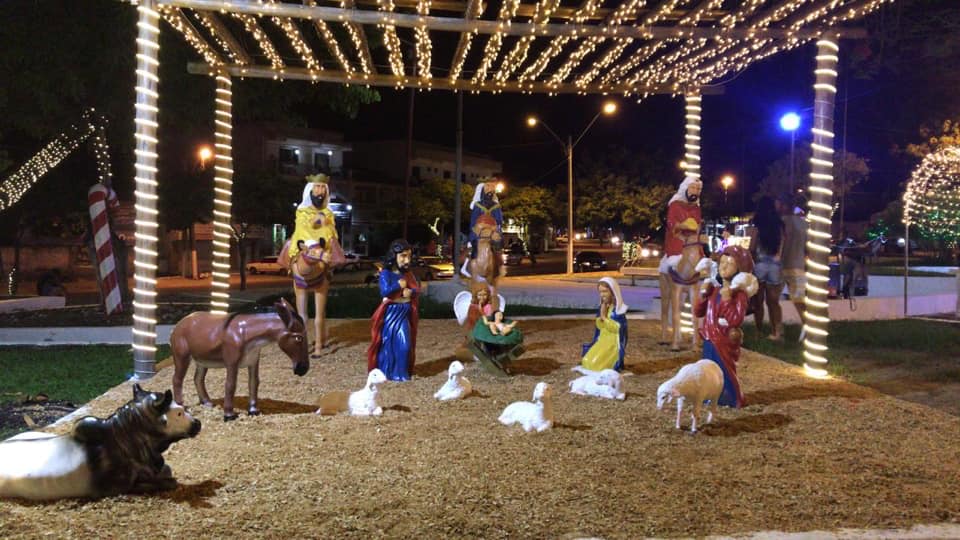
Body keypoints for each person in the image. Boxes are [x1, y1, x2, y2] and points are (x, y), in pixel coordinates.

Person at [694, 245, 758, 408]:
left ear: (739, 269)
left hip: (723, 339)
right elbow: (698, 312)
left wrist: (728, 299)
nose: (723, 267)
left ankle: (730, 397)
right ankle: (709, 395)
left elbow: (735, 320)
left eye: (729, 264)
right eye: (722, 263)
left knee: (724, 369)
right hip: (709, 337)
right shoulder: (714, 289)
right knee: (708, 369)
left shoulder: (739, 295)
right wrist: (702, 295)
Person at [367, 239, 419, 382]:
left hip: (404, 312)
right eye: (403, 256)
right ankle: (388, 371)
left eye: (409, 256)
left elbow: (416, 288)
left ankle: (401, 373)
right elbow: (384, 291)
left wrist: (411, 292)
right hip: (391, 312)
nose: (407, 260)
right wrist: (397, 285)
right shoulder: (386, 273)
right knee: (388, 344)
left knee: (405, 345)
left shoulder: (408, 274)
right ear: (394, 256)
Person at [747, 196, 785, 340]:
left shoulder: (758, 224)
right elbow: (783, 245)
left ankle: (758, 331)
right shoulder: (780, 225)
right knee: (773, 302)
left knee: (758, 301)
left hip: (760, 264)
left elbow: (752, 247)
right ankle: (777, 332)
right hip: (775, 265)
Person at [286, 173, 345, 267]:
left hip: (324, 239)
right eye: (317, 187)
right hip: (305, 237)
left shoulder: (328, 212)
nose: (320, 191)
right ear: (311, 189)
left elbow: (331, 227)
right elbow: (301, 225)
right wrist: (315, 221)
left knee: (329, 233)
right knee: (297, 235)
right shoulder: (302, 210)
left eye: (323, 187)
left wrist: (323, 221)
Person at [580, 277, 629, 372]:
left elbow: (618, 329)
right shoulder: (605, 307)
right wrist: (601, 317)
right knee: (586, 361)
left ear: (613, 292)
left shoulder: (618, 311)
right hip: (603, 340)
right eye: (600, 292)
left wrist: (604, 317)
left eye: (605, 291)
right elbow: (600, 327)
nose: (602, 295)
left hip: (612, 344)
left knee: (594, 364)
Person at [779, 194, 808, 340]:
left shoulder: (781, 222)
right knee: (799, 299)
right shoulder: (804, 224)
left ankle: (777, 330)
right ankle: (807, 325)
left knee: (773, 300)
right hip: (798, 265)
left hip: (782, 265)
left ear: (784, 205)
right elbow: (808, 247)